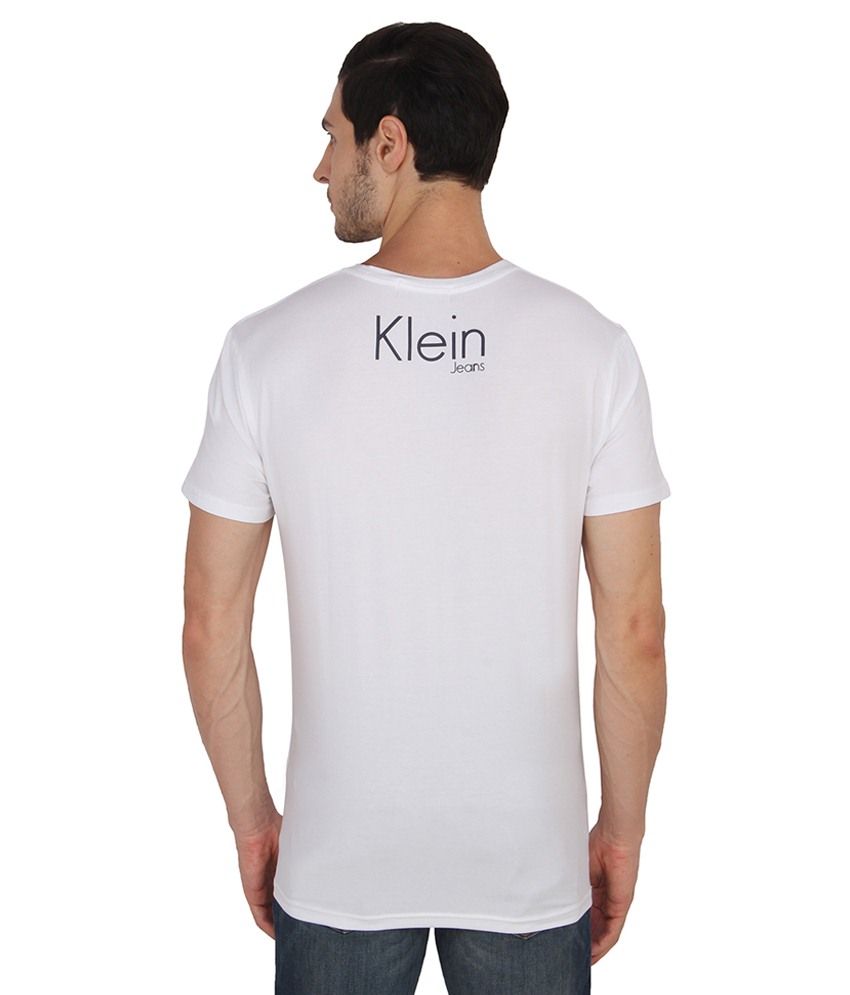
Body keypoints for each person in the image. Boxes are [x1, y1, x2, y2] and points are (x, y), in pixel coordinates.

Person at [181, 21, 670, 995]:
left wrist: (253, 818)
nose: (322, 168)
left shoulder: (266, 351)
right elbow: (634, 632)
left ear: (391, 143)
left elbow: (210, 624)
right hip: (528, 863)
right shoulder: (592, 351)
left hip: (338, 862)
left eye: (334, 136)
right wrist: (620, 831)